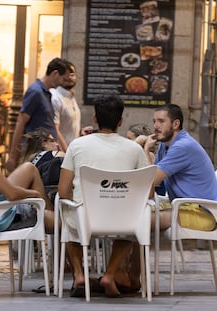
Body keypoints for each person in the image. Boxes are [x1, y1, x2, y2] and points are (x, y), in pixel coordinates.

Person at [58, 95, 149, 298]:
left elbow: (63, 191)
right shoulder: (134, 149)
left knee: (66, 213)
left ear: (95, 119)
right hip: (122, 220)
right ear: (120, 121)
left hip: (84, 219)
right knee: (133, 224)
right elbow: (147, 192)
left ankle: (80, 274)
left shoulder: (77, 145)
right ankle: (109, 274)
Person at [144, 104, 217, 232]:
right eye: (154, 121)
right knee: (135, 215)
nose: (155, 126)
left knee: (141, 219)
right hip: (182, 206)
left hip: (202, 213)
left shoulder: (182, 146)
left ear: (175, 124)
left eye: (161, 121)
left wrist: (146, 150)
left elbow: (151, 181)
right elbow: (158, 186)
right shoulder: (165, 144)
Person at [6, 58, 73, 172]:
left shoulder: (47, 93)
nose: (63, 83)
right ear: (55, 74)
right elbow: (21, 121)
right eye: (63, 78)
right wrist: (13, 155)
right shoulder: (35, 91)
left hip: (44, 152)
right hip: (36, 152)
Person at [50, 61, 93, 152]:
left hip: (73, 151)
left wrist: (80, 132)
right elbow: (54, 130)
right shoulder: (55, 97)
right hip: (61, 154)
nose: (69, 77)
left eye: (72, 74)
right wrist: (65, 153)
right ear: (58, 75)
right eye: (66, 74)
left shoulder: (71, 96)